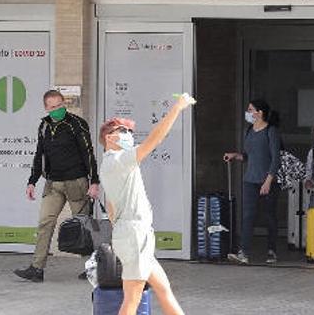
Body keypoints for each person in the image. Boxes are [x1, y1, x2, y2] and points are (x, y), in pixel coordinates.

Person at [98, 93, 195, 315]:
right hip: (134, 234)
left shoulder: (113, 164)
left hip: (135, 234)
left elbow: (111, 206)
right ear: (110, 138)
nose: (129, 135)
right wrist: (177, 108)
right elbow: (155, 139)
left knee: (163, 288)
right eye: (123, 131)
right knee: (132, 298)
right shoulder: (118, 160)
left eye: (130, 131)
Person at [14, 89, 100, 282]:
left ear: (64, 104)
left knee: (84, 225)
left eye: (59, 106)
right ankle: (37, 268)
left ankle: (94, 267)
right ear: (46, 108)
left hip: (76, 182)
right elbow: (39, 155)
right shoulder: (44, 126)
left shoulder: (76, 124)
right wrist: (32, 181)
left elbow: (88, 154)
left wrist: (94, 181)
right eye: (52, 107)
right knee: (45, 222)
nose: (56, 110)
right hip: (53, 183)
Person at [224, 99, 281, 265]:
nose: (248, 113)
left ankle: (272, 250)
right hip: (250, 179)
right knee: (248, 216)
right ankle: (244, 252)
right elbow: (249, 156)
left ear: (260, 113)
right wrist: (235, 155)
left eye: (250, 109)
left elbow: (275, 158)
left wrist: (268, 180)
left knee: (269, 216)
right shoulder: (249, 130)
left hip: (268, 180)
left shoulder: (271, 131)